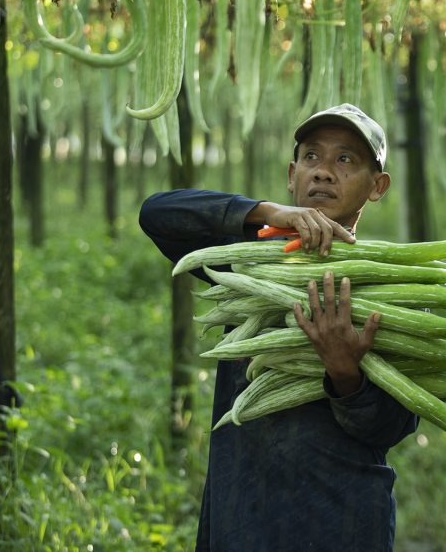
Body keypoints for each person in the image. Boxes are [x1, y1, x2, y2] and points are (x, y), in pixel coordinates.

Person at [140, 103, 418, 552]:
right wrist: (267, 214)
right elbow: (157, 214)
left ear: (377, 186)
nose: (324, 172)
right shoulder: (249, 257)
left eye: (345, 160)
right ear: (292, 174)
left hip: (341, 522)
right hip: (243, 513)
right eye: (312, 157)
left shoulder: (394, 289)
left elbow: (394, 426)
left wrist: (347, 374)